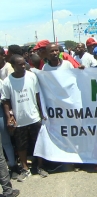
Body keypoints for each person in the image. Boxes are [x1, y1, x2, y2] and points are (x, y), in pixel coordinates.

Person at [2, 54, 49, 182]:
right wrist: (9, 117)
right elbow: (5, 101)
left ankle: (40, 166)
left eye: (24, 63)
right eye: (20, 64)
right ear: (13, 66)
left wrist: (42, 111)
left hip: (34, 117)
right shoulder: (7, 82)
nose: (23, 66)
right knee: (21, 146)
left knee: (38, 143)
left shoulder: (31, 76)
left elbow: (38, 95)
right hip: (19, 120)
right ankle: (25, 168)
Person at [0, 48, 17, 180]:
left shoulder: (8, 70)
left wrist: (9, 114)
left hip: (5, 108)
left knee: (7, 140)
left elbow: (7, 96)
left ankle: (12, 165)